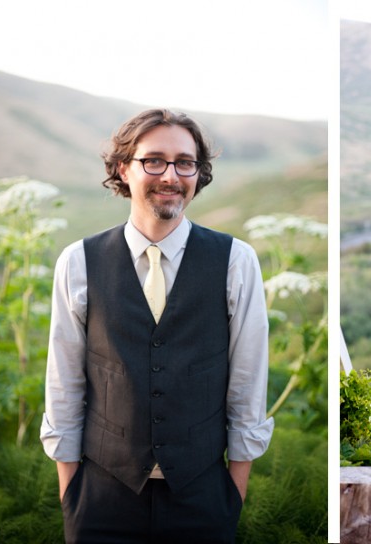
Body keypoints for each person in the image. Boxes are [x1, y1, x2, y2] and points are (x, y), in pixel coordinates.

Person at [40, 108, 274, 543]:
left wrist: (233, 494)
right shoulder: (78, 262)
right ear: (122, 169)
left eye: (185, 162)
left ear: (197, 173)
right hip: (101, 499)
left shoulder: (236, 261)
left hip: (203, 499)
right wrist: (71, 491)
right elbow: (64, 383)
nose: (170, 175)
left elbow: (248, 381)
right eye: (154, 160)